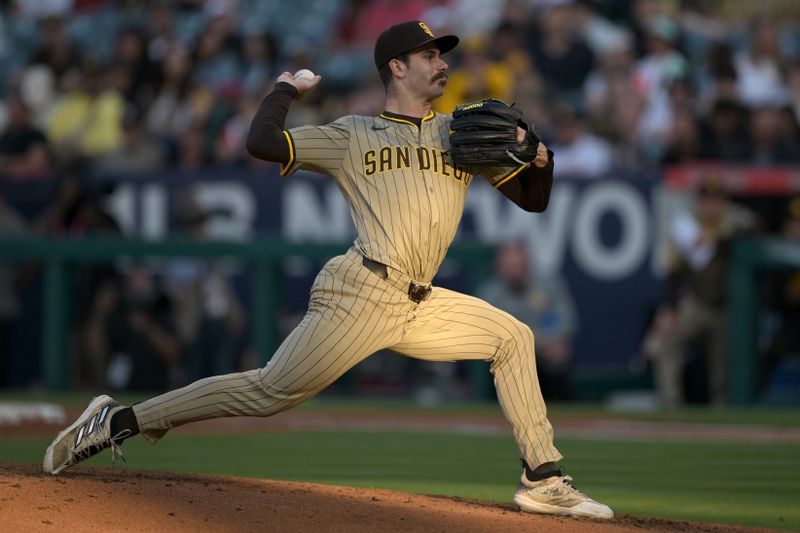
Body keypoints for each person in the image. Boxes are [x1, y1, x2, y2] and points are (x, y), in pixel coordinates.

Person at [43, 21, 613, 520]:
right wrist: (285, 88)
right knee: (268, 392)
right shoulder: (352, 134)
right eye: (431, 56)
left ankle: (543, 480)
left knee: (513, 336)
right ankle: (121, 420)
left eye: (443, 55)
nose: (444, 64)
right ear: (397, 66)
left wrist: (540, 157)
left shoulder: (457, 133)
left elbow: (533, 202)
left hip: (421, 302)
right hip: (362, 293)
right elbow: (262, 142)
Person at [477, 242, 577, 401]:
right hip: (511, 357)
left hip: (547, 354)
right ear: (499, 267)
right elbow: (489, 331)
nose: (514, 271)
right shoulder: (491, 293)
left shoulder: (548, 285)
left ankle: (565, 413)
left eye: (517, 265)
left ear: (527, 263)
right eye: (509, 266)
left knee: (558, 356)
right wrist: (531, 340)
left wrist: (551, 341)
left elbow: (565, 319)